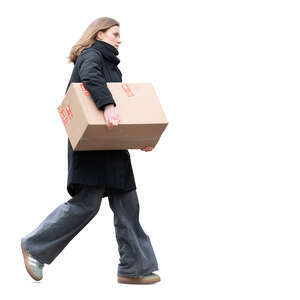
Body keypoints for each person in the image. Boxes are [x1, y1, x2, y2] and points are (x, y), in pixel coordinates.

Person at [21, 17, 160, 285]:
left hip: (113, 149)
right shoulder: (91, 56)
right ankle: (34, 247)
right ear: (99, 34)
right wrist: (107, 104)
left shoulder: (113, 68)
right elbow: (90, 79)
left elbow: (124, 115)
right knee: (86, 205)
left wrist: (141, 137)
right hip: (92, 147)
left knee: (128, 206)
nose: (120, 39)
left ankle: (134, 268)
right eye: (115, 33)